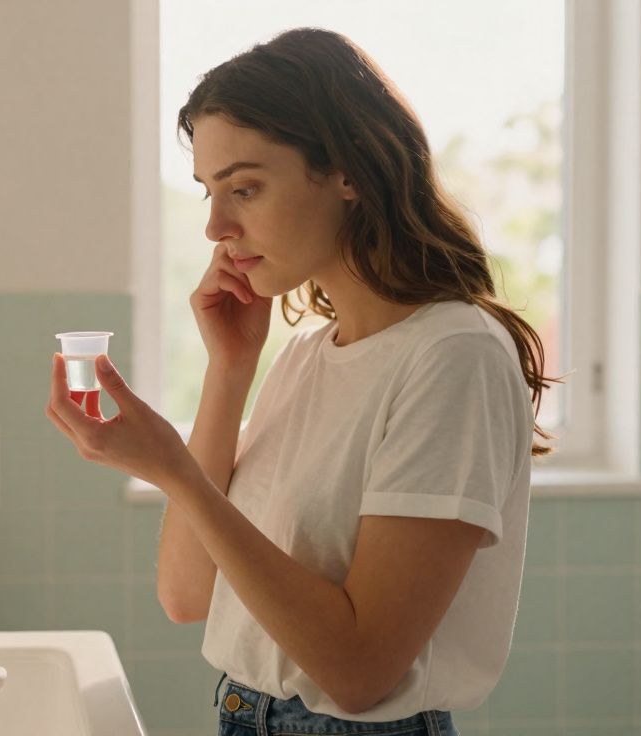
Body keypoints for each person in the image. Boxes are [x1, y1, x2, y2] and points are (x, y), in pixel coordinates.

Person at [46, 26, 555, 736]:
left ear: (347, 171)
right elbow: (187, 594)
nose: (217, 226)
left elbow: (358, 671)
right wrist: (230, 370)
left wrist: (176, 469)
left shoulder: (453, 355)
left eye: (245, 188)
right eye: (208, 193)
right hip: (245, 713)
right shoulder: (309, 357)